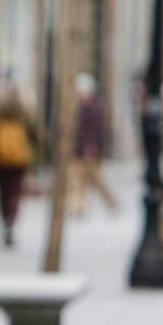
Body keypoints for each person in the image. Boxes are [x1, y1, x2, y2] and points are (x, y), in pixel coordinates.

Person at [0, 86, 36, 246]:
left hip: (0, 160)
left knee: (2, 192)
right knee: (15, 192)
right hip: (19, 161)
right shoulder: (24, 114)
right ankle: (11, 221)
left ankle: (4, 221)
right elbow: (33, 137)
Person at [69, 73, 117, 217]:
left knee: (95, 181)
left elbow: (96, 130)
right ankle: (79, 207)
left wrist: (91, 146)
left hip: (90, 151)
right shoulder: (82, 107)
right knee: (77, 180)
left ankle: (111, 202)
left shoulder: (94, 109)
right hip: (80, 150)